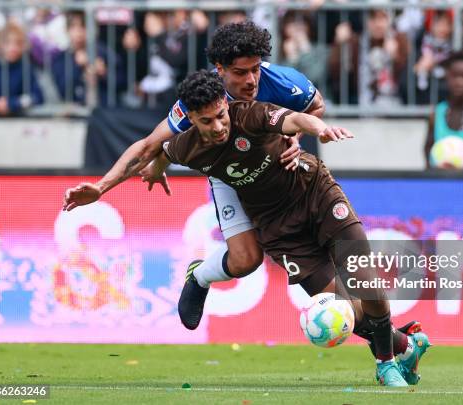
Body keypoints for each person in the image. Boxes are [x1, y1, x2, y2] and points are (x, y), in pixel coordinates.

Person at [63, 70, 431, 387]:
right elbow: (148, 151)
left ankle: (386, 363)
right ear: (191, 117)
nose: (219, 126)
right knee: (342, 309)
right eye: (207, 121)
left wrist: (318, 127)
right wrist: (102, 187)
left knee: (365, 282)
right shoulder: (185, 145)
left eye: (221, 116)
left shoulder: (250, 113)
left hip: (313, 193)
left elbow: (296, 119)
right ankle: (403, 345)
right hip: (276, 225)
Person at [64, 21, 324, 331]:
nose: (252, 79)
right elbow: (149, 147)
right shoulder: (203, 97)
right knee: (245, 261)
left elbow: (315, 106)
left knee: (317, 238)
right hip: (228, 171)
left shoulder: (281, 80)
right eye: (241, 73)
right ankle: (199, 276)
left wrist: (295, 138)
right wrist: (101, 187)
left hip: (272, 168)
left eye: (255, 69)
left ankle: (380, 332)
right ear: (220, 69)